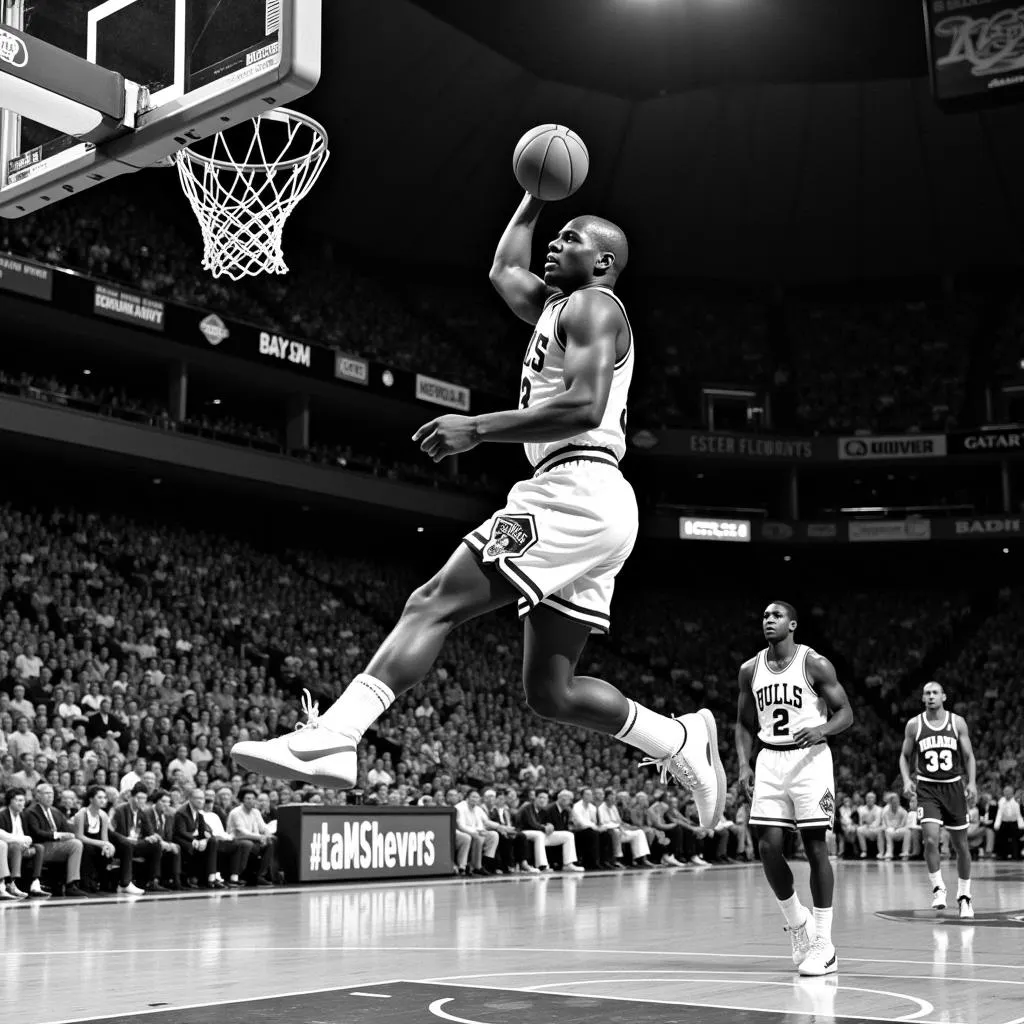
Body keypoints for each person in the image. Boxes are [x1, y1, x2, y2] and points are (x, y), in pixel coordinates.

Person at [231, 188, 724, 827]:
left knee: (434, 602)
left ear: (603, 264)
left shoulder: (595, 306)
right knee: (551, 692)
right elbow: (502, 271)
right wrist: (533, 196)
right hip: (587, 497)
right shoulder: (556, 309)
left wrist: (478, 428)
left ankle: (336, 735)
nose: (555, 243)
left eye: (571, 238)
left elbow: (585, 407)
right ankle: (676, 738)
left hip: (573, 487)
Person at [736, 601, 853, 977]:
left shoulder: (814, 664)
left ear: (793, 624)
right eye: (764, 615)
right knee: (767, 847)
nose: (767, 620)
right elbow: (742, 722)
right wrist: (741, 762)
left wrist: (821, 729)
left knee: (815, 846)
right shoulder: (750, 669)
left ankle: (824, 943)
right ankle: (797, 924)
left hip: (811, 759)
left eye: (776, 616)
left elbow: (846, 713)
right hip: (769, 759)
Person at [898, 681, 977, 918]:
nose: (931, 696)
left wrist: (972, 782)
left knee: (961, 846)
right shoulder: (914, 725)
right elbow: (904, 756)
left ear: (944, 696)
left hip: (953, 787)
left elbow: (969, 756)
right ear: (923, 698)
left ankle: (964, 896)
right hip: (927, 789)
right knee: (930, 840)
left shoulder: (957, 722)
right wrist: (905, 780)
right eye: (927, 693)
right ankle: (938, 887)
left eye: (935, 693)